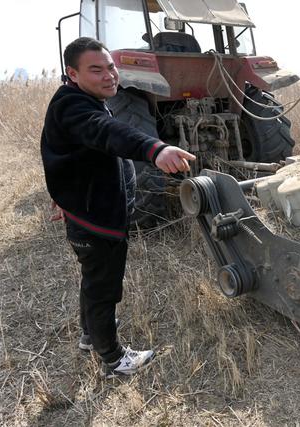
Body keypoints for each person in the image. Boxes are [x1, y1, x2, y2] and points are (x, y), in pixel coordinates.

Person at [41, 37, 196, 378]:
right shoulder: (74, 106)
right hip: (95, 219)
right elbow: (108, 132)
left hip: (88, 207)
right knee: (103, 287)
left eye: (110, 67)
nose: (109, 75)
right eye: (96, 69)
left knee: (93, 279)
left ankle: (89, 335)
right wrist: (155, 149)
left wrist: (63, 191)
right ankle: (113, 358)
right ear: (73, 73)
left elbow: (62, 151)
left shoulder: (80, 98)